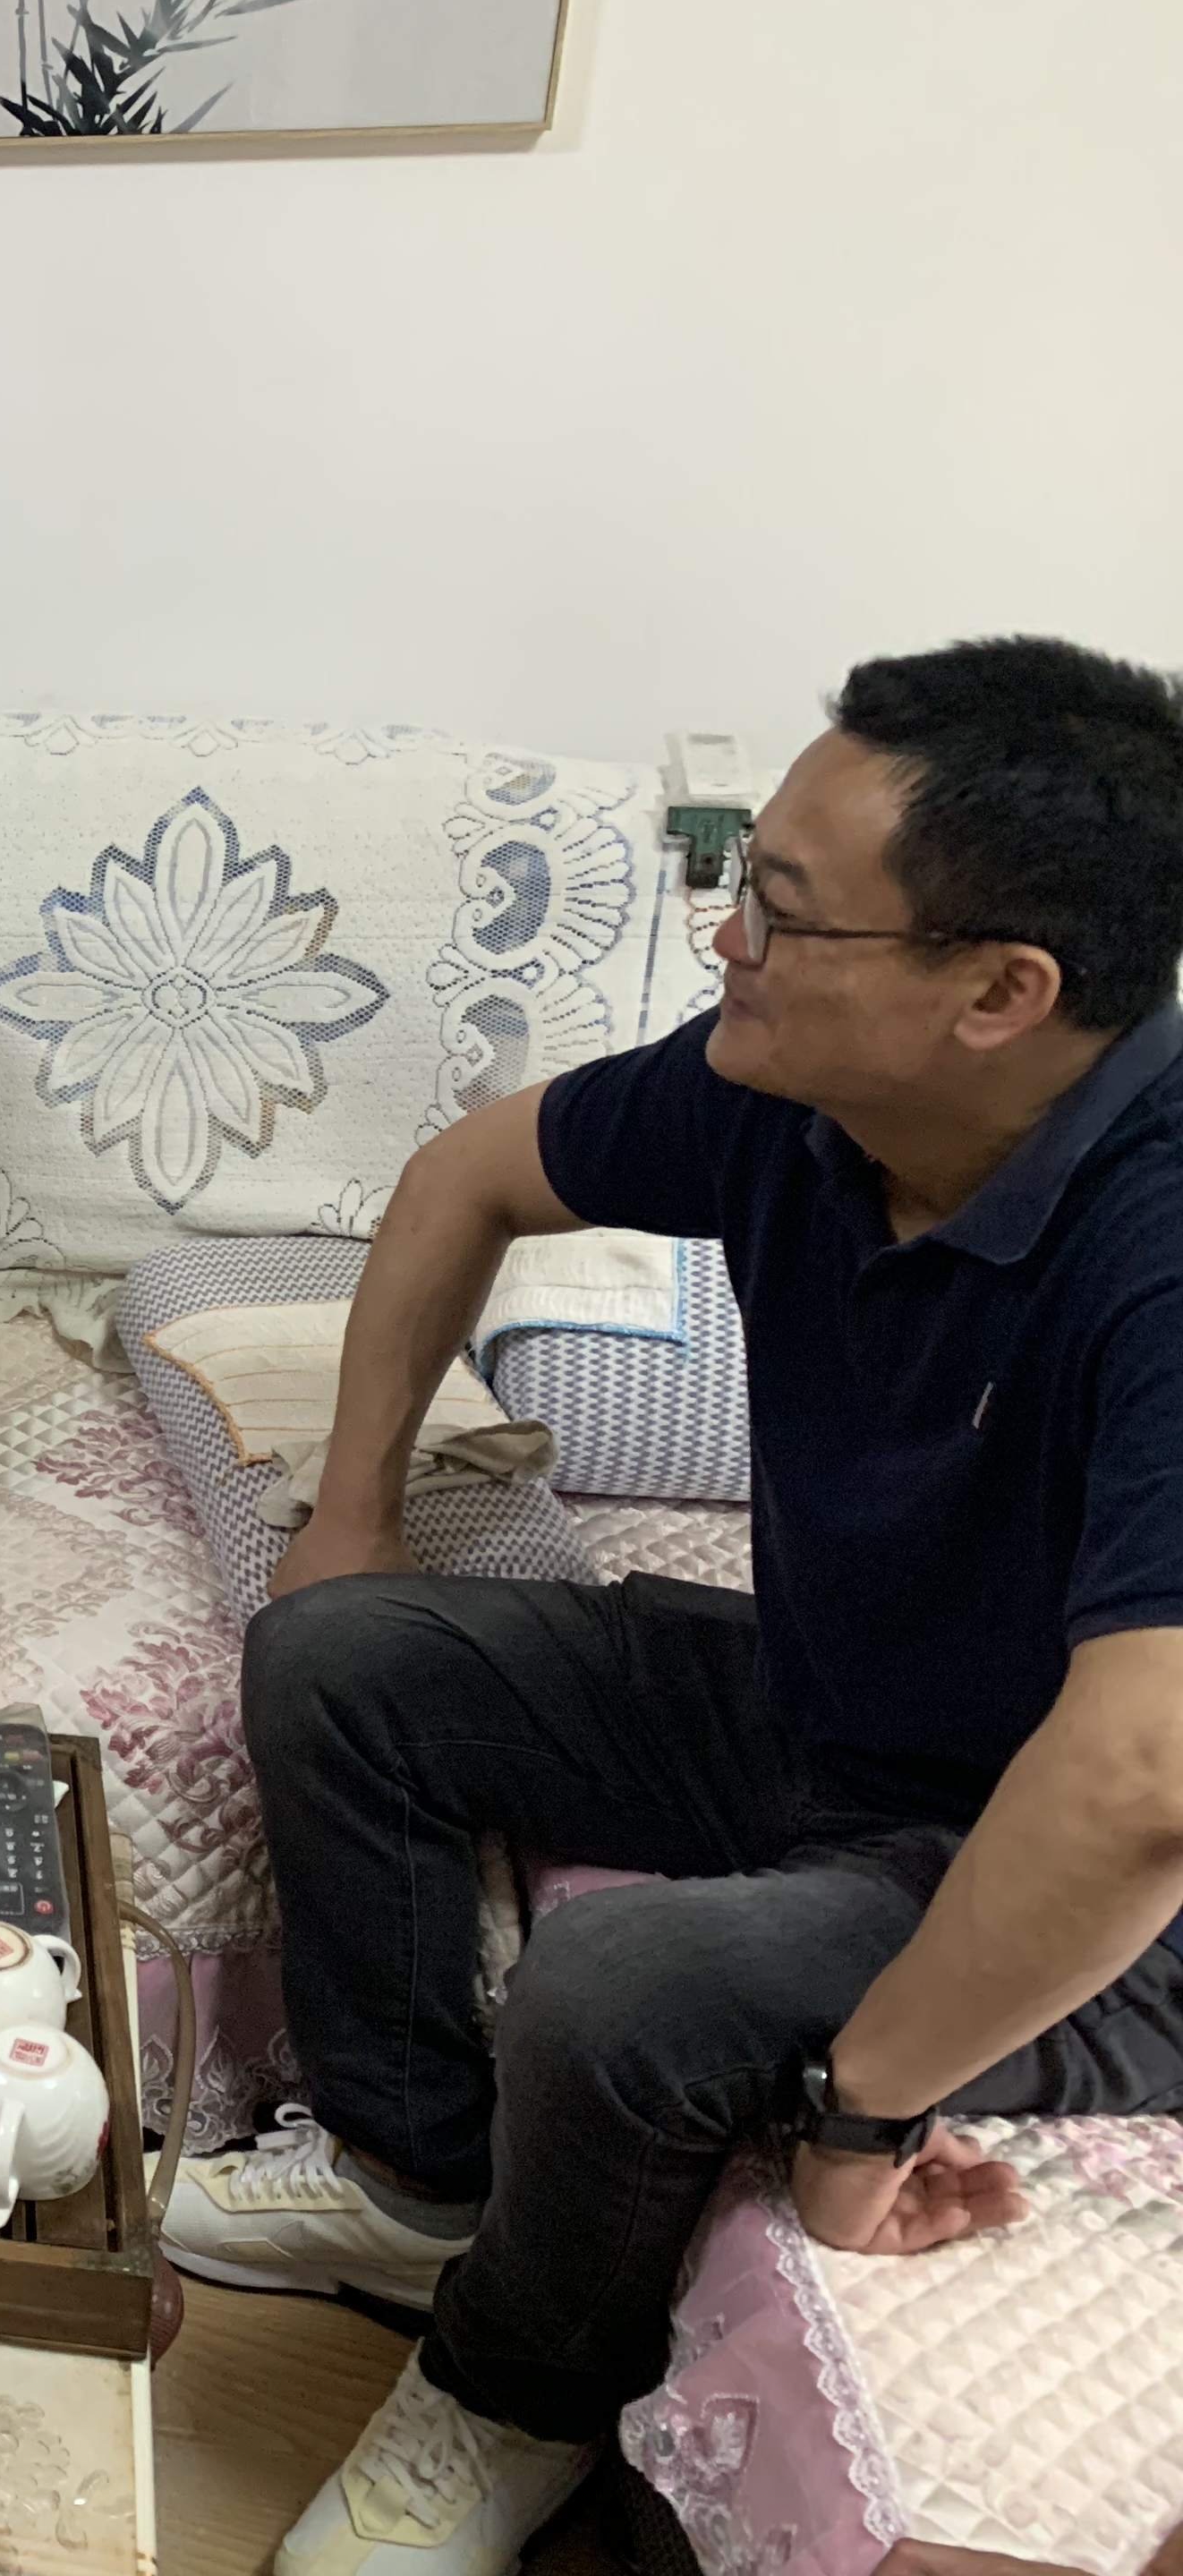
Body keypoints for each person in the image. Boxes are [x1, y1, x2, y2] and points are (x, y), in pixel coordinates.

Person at [163, 638, 1183, 2576]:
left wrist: (865, 2112)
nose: (726, 939)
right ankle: (415, 2177)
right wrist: (352, 1508)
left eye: (784, 911)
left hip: (1080, 1885)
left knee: (619, 1987)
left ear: (1000, 991)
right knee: (342, 1654)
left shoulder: (1157, 1241)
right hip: (826, 1713)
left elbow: (1143, 1783)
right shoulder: (789, 1097)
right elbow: (465, 1175)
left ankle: (512, 2392)